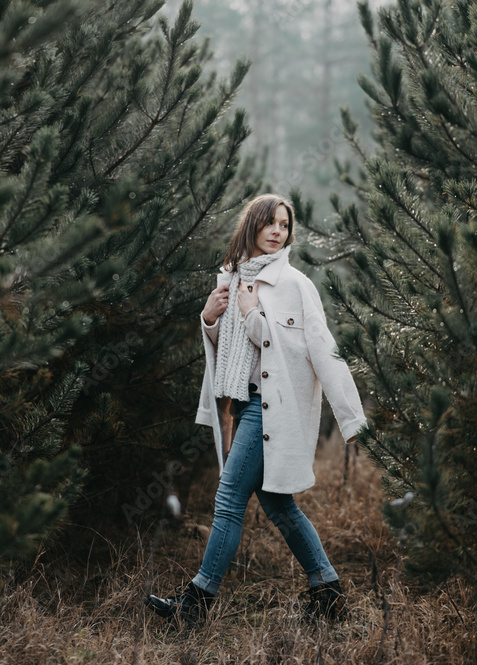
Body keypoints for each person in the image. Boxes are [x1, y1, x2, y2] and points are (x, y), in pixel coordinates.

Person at [145, 194, 368, 627]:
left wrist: (351, 418)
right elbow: (228, 353)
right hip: (241, 405)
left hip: (271, 412)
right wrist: (208, 319)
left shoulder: (295, 285)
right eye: (269, 223)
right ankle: (328, 592)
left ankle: (193, 604)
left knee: (228, 500)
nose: (277, 232)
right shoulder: (230, 279)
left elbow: (317, 351)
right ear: (252, 226)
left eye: (284, 225)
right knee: (280, 506)